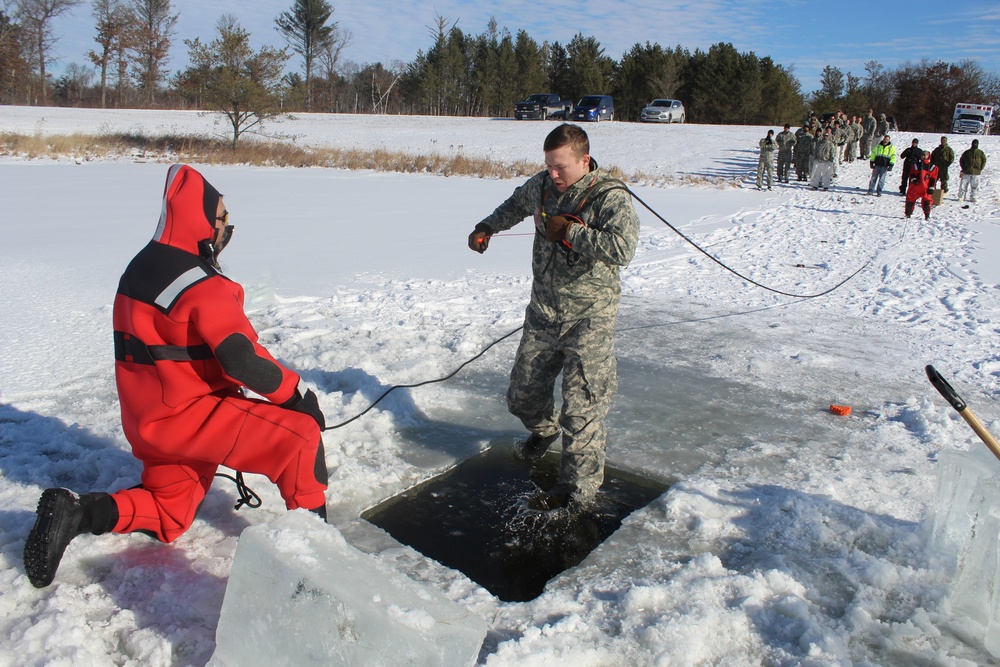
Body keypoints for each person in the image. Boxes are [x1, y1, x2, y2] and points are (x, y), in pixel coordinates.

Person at [23, 164, 330, 588]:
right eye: (221, 217)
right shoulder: (203, 285)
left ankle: (77, 512)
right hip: (191, 417)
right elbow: (242, 360)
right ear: (201, 221)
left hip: (148, 422)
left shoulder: (142, 267)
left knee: (170, 512)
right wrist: (298, 397)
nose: (226, 226)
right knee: (300, 439)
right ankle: (321, 560)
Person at [467, 124, 639, 510]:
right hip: (544, 312)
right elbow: (514, 205)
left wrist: (573, 234)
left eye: (561, 167)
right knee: (522, 396)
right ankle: (543, 432)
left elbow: (622, 249)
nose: (554, 174)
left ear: (584, 159)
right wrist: (487, 227)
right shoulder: (542, 185)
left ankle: (576, 492)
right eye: (549, 166)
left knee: (582, 411)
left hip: (589, 317)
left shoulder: (610, 197)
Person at [904, 151, 939, 220]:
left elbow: (933, 178)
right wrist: (914, 179)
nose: (923, 156)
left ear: (928, 156)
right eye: (922, 155)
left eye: (925, 155)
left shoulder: (933, 167)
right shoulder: (916, 165)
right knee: (910, 200)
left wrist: (931, 187)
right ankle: (908, 214)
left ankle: (927, 215)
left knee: (927, 201)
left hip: (925, 187)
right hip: (915, 187)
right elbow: (911, 174)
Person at [958, 139, 988, 203]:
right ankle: (961, 196)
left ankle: (973, 197)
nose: (975, 145)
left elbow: (984, 161)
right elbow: (961, 160)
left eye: (976, 143)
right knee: (963, 185)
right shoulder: (967, 152)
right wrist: (964, 168)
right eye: (974, 143)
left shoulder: (980, 153)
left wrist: (980, 168)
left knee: (975, 186)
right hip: (966, 172)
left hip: (976, 172)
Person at [810, 127, 836, 191]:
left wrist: (831, 159)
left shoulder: (830, 144)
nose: (825, 137)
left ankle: (826, 186)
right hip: (818, 160)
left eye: (827, 136)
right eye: (824, 136)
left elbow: (832, 152)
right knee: (816, 173)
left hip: (827, 161)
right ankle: (815, 185)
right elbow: (816, 150)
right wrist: (815, 158)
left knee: (826, 174)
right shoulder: (819, 143)